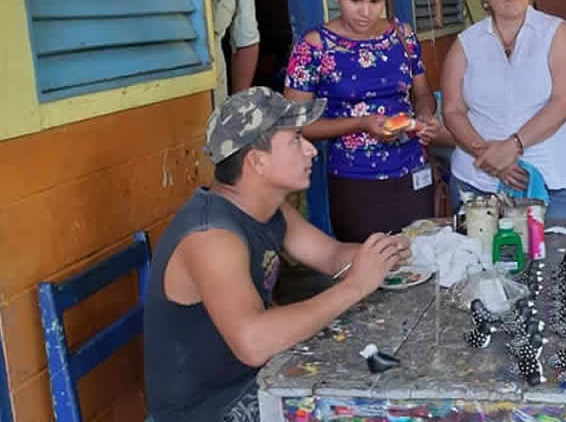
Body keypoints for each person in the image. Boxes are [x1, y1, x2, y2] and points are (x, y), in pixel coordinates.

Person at [144, 87, 411, 422]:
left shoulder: (267, 208)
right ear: (257, 161)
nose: (312, 150)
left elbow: (330, 255)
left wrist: (382, 254)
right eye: (297, 140)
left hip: (261, 377)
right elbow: (252, 342)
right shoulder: (211, 236)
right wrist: (354, 286)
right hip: (212, 408)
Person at [284, 0, 449, 242]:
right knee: (367, 265)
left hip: (414, 169)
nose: (365, 12)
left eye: (375, 2)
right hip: (355, 178)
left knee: (421, 259)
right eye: (354, 0)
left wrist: (426, 116)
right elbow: (296, 123)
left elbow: (422, 93)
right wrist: (361, 123)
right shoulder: (313, 47)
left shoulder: (402, 35)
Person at [441, 0, 566, 218]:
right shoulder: (465, 43)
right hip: (478, 183)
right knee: (480, 261)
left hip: (554, 181)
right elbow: (452, 110)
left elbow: (563, 103)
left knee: (559, 259)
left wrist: (513, 146)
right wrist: (488, 156)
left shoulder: (556, 33)